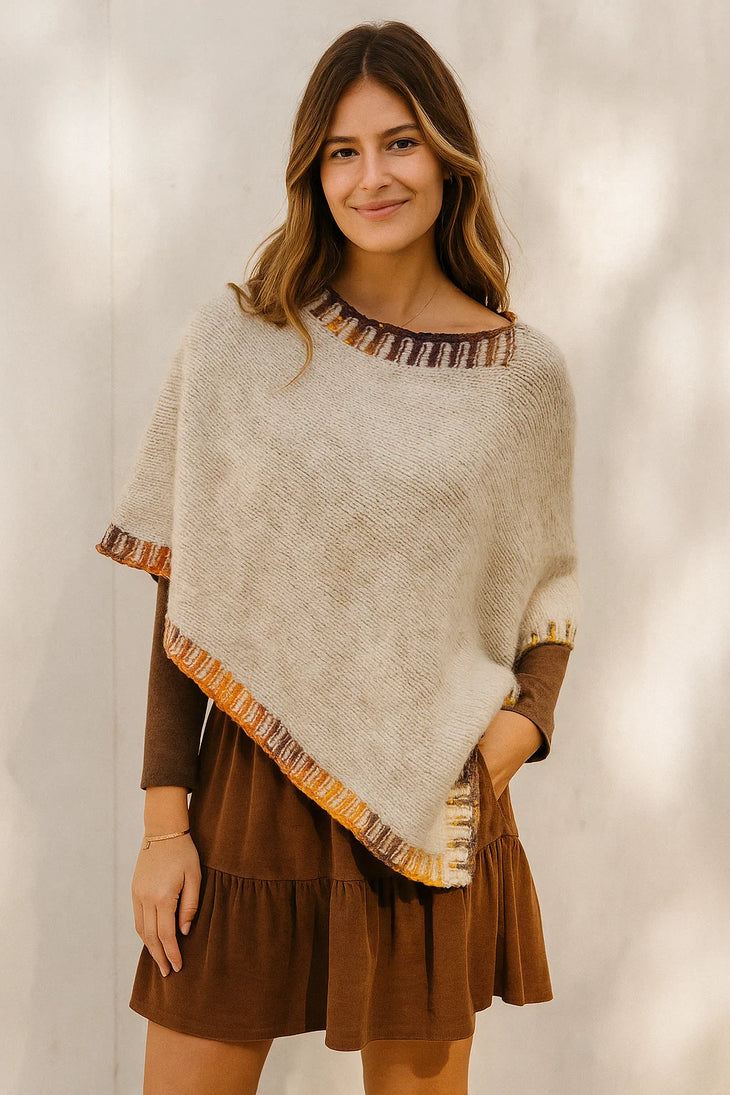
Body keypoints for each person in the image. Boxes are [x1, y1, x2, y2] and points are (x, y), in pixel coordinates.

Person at [95, 19, 581, 1095]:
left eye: (400, 143)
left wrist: (510, 740)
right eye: (342, 151)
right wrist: (165, 826)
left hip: (430, 807)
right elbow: (184, 589)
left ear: (447, 157)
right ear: (312, 173)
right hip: (247, 800)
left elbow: (546, 599)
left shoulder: (523, 377)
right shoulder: (238, 342)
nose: (373, 177)